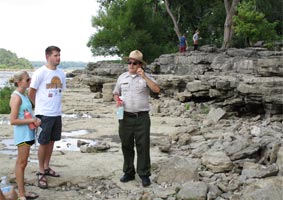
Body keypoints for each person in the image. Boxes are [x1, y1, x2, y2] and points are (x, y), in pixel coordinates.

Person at [113, 50, 160, 187]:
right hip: (125, 117)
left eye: (134, 63)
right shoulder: (122, 77)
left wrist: (144, 76)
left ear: (140, 65)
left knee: (143, 146)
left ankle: (144, 174)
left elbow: (156, 90)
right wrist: (117, 101)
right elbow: (116, 93)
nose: (131, 65)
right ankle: (128, 172)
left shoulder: (147, 77)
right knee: (126, 145)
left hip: (142, 118)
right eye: (129, 62)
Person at [28, 46, 66, 189]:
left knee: (51, 141)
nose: (58, 58)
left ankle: (47, 166)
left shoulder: (61, 73)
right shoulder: (40, 73)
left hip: (57, 113)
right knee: (43, 142)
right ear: (48, 56)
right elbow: (31, 93)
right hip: (44, 114)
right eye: (56, 55)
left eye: (59, 55)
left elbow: (60, 91)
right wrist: (38, 109)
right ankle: (41, 171)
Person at [9, 71, 41, 199]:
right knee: (21, 163)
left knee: (22, 163)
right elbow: (13, 120)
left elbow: (25, 113)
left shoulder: (24, 95)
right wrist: (32, 120)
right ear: (19, 82)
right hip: (22, 135)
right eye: (27, 79)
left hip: (28, 133)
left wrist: (34, 120)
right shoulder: (16, 97)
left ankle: (22, 192)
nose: (30, 81)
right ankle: (22, 195)